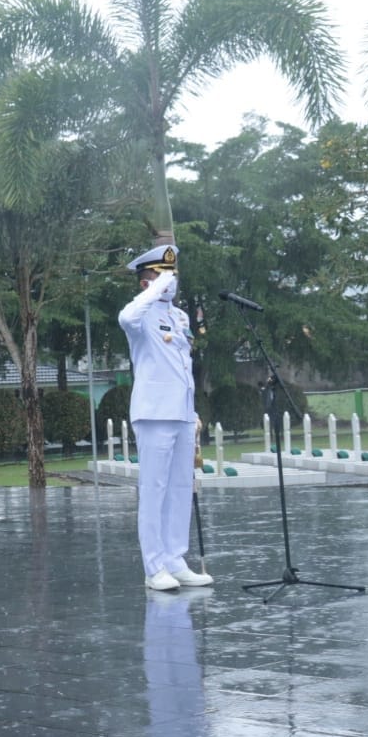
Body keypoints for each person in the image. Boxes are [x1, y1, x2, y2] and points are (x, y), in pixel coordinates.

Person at [118, 244, 213, 591]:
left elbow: (182, 364)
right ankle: (153, 566)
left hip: (182, 412)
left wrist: (192, 409)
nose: (172, 283)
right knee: (154, 490)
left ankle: (175, 559)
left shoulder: (180, 318)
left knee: (179, 489)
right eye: (164, 276)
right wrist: (156, 288)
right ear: (148, 282)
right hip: (154, 412)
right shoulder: (139, 316)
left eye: (173, 276)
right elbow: (125, 318)